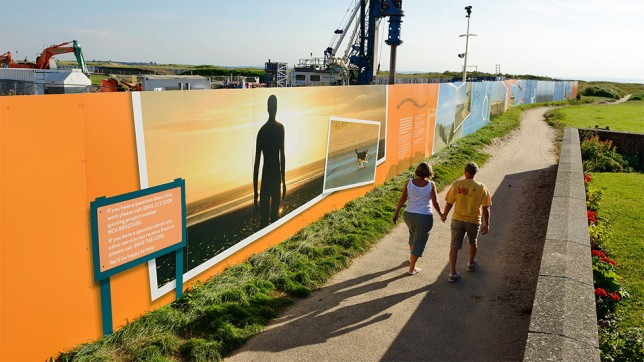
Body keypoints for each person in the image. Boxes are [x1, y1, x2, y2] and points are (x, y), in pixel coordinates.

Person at [441, 162, 491, 283]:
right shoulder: (481, 187)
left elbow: (449, 202)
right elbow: (485, 208)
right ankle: (470, 263)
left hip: (457, 219)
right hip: (473, 220)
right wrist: (486, 224)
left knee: (454, 246)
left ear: (465, 172)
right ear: (475, 173)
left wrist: (445, 215)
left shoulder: (457, 184)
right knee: (472, 242)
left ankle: (452, 273)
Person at [393, 162, 443, 275]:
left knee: (413, 235)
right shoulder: (431, 185)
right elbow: (435, 203)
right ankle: (412, 268)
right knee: (420, 242)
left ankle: (411, 258)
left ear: (417, 171)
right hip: (424, 216)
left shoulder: (408, 182)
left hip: (409, 215)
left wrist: (396, 213)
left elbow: (402, 199)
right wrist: (441, 214)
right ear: (429, 172)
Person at [253, 95, 286, 227]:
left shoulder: (262, 132)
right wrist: (283, 181)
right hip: (275, 178)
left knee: (264, 221)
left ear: (268, 108)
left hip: (266, 179)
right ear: (275, 108)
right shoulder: (279, 128)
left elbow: (256, 164)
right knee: (274, 220)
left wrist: (255, 191)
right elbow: (282, 156)